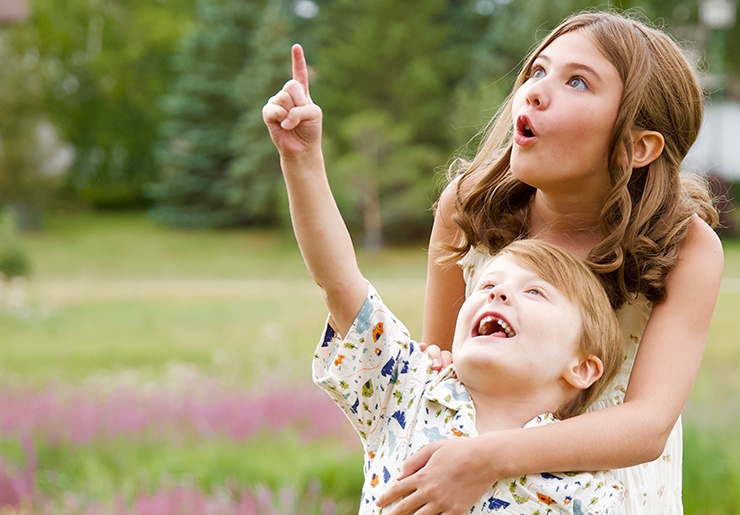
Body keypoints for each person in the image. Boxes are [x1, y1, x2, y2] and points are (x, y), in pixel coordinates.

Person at [265, 43, 634, 514]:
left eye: (535, 292)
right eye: (486, 286)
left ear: (582, 366)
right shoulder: (408, 388)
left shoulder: (584, 486)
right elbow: (339, 282)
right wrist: (302, 161)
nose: (498, 291)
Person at [397, 11, 724, 515]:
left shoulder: (685, 248)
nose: (534, 91)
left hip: (609, 497)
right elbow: (438, 372)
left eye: (576, 82)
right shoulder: (465, 209)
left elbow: (648, 425)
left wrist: (492, 457)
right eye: (537, 71)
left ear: (638, 145)